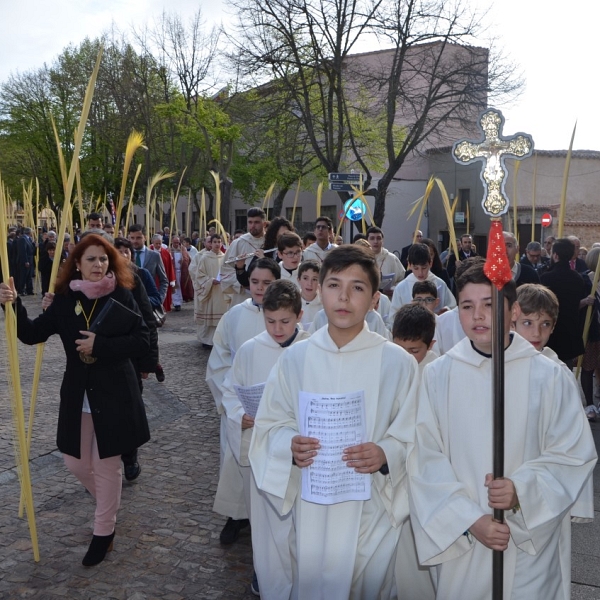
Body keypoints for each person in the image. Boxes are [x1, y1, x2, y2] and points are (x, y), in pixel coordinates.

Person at [408, 262, 597, 600]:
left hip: (529, 538)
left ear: (512, 310)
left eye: (489, 304)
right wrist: (469, 519)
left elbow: (573, 454)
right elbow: (423, 456)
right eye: (468, 306)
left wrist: (521, 491)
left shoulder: (550, 376)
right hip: (465, 535)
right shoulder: (438, 375)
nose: (478, 315)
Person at [249, 245, 418, 599]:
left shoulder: (397, 363)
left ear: (375, 298)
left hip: (370, 508)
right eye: (334, 285)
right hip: (311, 507)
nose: (343, 297)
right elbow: (270, 426)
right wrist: (288, 445)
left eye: (357, 287)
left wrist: (387, 453)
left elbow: (419, 434)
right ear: (318, 290)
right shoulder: (296, 358)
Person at [0, 235, 151, 566]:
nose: (99, 265)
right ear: (77, 264)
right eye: (91, 260)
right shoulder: (65, 301)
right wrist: (12, 304)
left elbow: (142, 339)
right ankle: (107, 507)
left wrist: (101, 346)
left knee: (106, 464)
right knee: (76, 462)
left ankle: (103, 531)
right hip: (78, 394)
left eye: (103, 259)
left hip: (115, 394)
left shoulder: (121, 294)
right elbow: (31, 334)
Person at [216, 280, 310, 596]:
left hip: (301, 456)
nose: (277, 329)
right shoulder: (250, 349)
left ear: (299, 315)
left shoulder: (313, 348)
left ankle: (299, 584)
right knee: (266, 526)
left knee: (300, 528)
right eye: (270, 321)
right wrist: (238, 415)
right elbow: (231, 390)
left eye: (285, 321)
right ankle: (267, 578)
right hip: (262, 454)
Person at [207, 258, 281, 545]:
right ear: (247, 283)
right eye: (255, 282)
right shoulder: (235, 316)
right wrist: (234, 404)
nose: (260, 288)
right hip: (242, 407)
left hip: (276, 408)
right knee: (237, 462)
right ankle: (236, 516)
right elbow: (219, 361)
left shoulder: (286, 316)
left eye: (268, 283)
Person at [540, 238, 592, 367]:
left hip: (550, 332)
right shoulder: (578, 278)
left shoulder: (546, 277)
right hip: (569, 332)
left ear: (555, 255)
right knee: (565, 371)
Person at [391, 243, 456, 319]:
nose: (420, 273)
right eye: (416, 268)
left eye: (424, 268)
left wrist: (446, 311)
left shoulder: (439, 284)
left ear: (430, 263)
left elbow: (452, 307)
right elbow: (394, 316)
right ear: (409, 265)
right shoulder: (401, 287)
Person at [220, 208, 267, 307]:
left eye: (256, 222)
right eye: (250, 222)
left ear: (264, 223)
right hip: (243, 296)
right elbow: (225, 269)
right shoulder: (238, 243)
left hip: (267, 296)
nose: (252, 226)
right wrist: (243, 283)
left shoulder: (271, 242)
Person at [191, 233, 228, 347]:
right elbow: (199, 275)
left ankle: (220, 340)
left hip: (221, 292)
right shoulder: (204, 257)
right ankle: (207, 340)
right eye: (215, 242)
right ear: (210, 244)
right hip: (210, 291)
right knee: (209, 315)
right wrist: (211, 281)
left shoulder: (225, 257)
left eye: (219, 241)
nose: (217, 244)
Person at [127, 224, 169, 303]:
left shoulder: (154, 256)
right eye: (132, 238)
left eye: (138, 238)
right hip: (130, 302)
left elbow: (164, 280)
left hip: (148, 301)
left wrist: (159, 299)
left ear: (145, 237)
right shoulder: (126, 255)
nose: (135, 241)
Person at [366, 226, 405, 294]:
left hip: (388, 299)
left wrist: (394, 289)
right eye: (372, 238)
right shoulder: (362, 258)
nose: (375, 241)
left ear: (382, 241)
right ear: (367, 241)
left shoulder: (391, 258)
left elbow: (402, 279)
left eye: (378, 238)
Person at [150, 234, 177, 312]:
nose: (158, 245)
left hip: (162, 279)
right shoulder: (149, 251)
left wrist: (172, 280)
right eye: (156, 243)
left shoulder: (165, 253)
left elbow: (170, 266)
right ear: (152, 242)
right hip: (153, 279)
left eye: (160, 243)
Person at [169, 236, 193, 311]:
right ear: (172, 242)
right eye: (175, 242)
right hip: (173, 271)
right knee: (174, 287)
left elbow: (188, 259)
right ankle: (176, 303)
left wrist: (183, 261)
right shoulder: (169, 250)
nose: (176, 244)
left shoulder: (183, 249)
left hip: (181, 271)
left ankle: (179, 302)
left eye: (178, 242)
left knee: (180, 287)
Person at [297, 260, 322, 330]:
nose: (309, 284)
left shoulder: (324, 304)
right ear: (298, 280)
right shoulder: (292, 302)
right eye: (305, 278)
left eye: (314, 279)